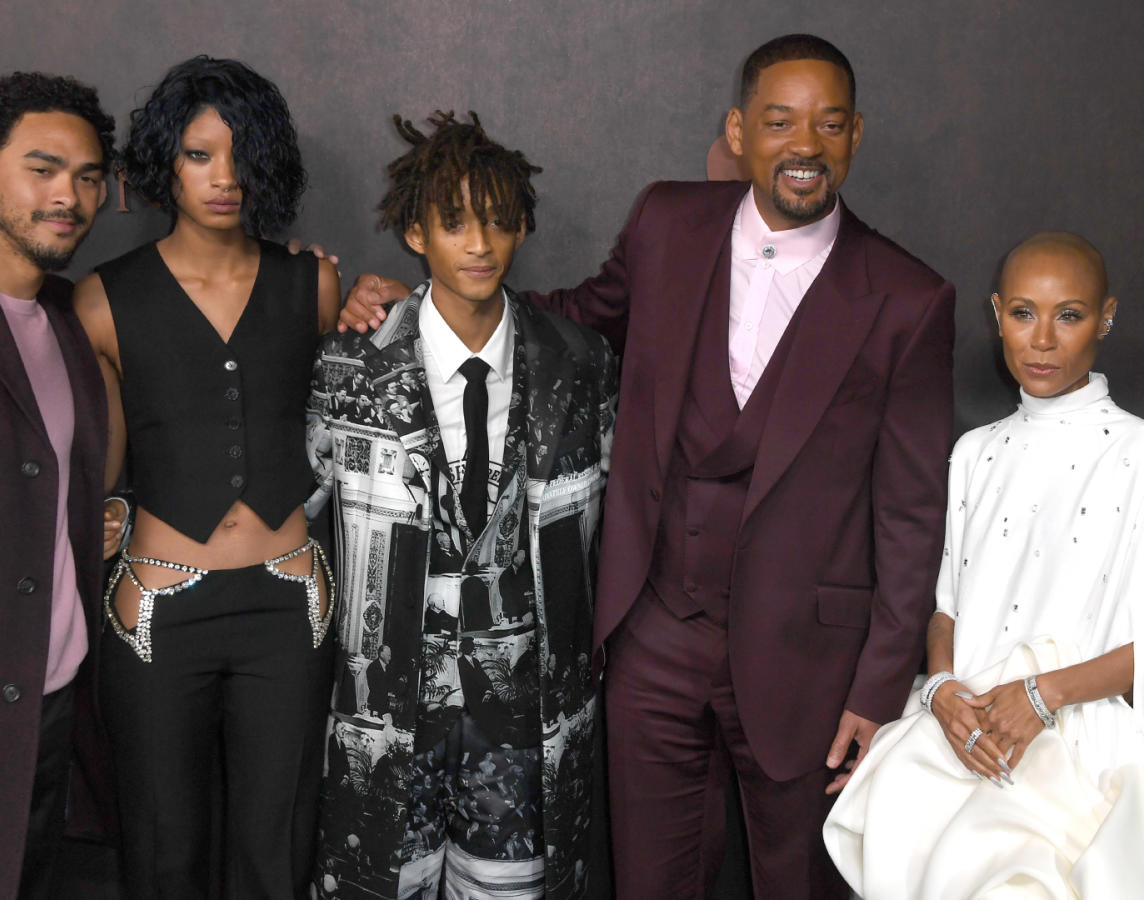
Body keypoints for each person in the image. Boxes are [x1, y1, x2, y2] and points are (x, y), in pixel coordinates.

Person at [336, 34, 954, 899]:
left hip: (808, 662)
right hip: (652, 632)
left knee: (799, 883)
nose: (804, 144)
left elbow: (916, 512)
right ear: (739, 130)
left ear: (857, 136)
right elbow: (572, 321)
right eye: (780, 121)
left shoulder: (909, 298)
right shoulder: (668, 220)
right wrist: (418, 304)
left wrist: (880, 685)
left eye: (829, 123)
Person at [307, 111, 617, 899]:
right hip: (387, 715)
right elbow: (303, 516)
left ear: (522, 231)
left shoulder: (578, 364)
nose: (479, 245)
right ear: (415, 233)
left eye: (499, 223)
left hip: (525, 718)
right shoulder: (349, 366)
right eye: (455, 223)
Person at [73, 56, 340, 899]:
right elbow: (96, 467)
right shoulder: (103, 299)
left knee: (278, 847)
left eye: (240, 154)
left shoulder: (314, 280)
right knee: (162, 848)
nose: (224, 178)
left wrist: (384, 292)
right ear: (166, 164)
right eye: (198, 155)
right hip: (156, 607)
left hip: (287, 607)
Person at [824, 233, 1144, 898]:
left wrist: (1043, 696)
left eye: (1070, 315)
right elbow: (947, 604)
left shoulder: (1138, 452)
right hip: (963, 728)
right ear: (997, 314)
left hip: (1081, 750)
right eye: (1024, 314)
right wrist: (940, 690)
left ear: (1106, 317)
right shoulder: (974, 451)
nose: (1044, 342)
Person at [0, 72, 119, 899]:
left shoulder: (64, 318)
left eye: (87, 177)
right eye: (42, 169)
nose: (69, 196)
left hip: (51, 700)